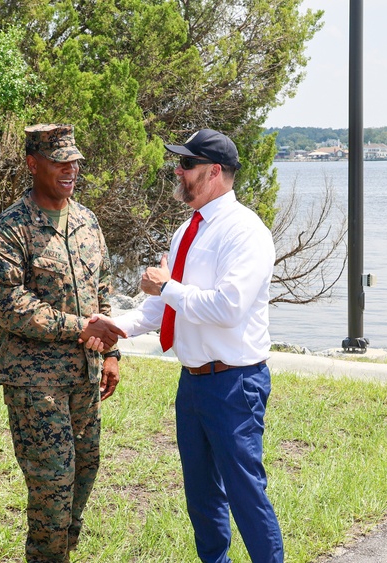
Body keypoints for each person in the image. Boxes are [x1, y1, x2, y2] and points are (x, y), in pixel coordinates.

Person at [89, 128, 283, 562]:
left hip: (235, 383)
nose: (178, 170)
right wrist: (117, 325)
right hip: (193, 383)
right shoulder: (186, 232)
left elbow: (227, 307)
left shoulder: (245, 232)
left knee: (246, 495)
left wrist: (167, 286)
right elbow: (165, 310)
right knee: (202, 498)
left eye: (187, 164)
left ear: (214, 172)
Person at [0, 123, 126, 562]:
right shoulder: (11, 228)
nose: (70, 170)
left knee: (84, 472)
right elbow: (8, 303)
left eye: (74, 162)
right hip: (35, 383)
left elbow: (102, 286)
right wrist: (78, 328)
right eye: (59, 161)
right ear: (33, 164)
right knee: (52, 486)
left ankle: (64, 553)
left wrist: (113, 351)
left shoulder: (86, 220)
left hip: (85, 376)